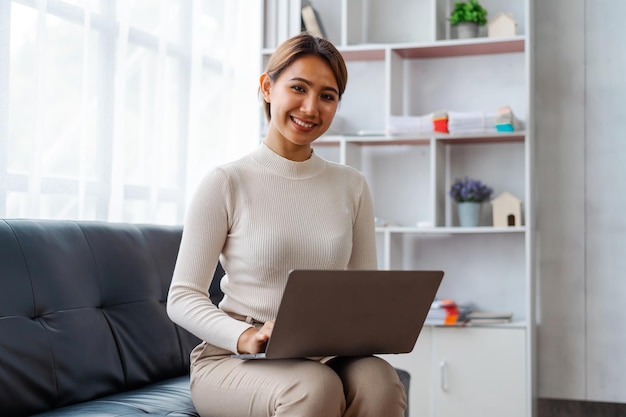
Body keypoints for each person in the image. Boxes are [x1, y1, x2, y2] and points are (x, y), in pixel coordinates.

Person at [167, 32, 407, 417]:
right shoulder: (226, 182)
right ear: (267, 87)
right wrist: (246, 337)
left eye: (327, 96)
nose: (311, 108)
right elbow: (182, 297)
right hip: (234, 358)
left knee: (379, 380)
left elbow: (363, 290)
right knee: (312, 386)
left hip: (324, 353)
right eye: (298, 88)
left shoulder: (352, 185)